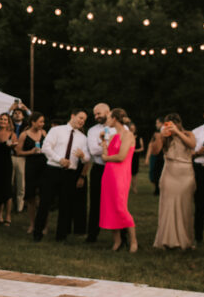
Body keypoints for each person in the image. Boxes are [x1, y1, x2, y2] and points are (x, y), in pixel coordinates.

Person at [33, 108, 89, 242]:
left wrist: (83, 156)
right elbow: (46, 147)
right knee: (45, 202)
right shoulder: (57, 130)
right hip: (53, 170)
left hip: (70, 174)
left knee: (66, 204)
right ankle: (37, 233)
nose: (82, 121)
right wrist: (59, 159)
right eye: (80, 118)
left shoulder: (83, 138)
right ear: (72, 116)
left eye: (84, 120)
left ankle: (61, 235)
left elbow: (87, 158)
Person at [151, 113, 196, 250]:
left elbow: (192, 145)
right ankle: (166, 240)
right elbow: (155, 151)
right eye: (167, 124)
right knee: (167, 206)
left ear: (178, 123)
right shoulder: (165, 137)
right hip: (169, 173)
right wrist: (161, 137)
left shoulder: (188, 134)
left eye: (171, 124)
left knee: (185, 207)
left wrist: (177, 132)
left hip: (185, 174)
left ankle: (184, 240)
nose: (169, 126)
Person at [100, 108, 138, 252]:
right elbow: (106, 154)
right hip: (108, 174)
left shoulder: (127, 135)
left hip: (120, 175)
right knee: (109, 207)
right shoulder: (114, 136)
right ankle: (117, 241)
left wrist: (106, 158)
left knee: (120, 207)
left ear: (115, 119)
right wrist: (103, 143)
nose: (107, 120)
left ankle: (133, 241)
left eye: (109, 117)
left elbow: (121, 156)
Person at [86, 102, 112, 243]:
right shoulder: (92, 130)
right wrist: (110, 147)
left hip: (115, 169)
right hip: (98, 168)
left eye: (98, 113)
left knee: (116, 202)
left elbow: (123, 150)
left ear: (108, 112)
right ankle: (92, 235)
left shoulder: (120, 128)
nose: (96, 116)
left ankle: (122, 236)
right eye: (94, 114)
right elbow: (93, 150)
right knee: (95, 202)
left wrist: (102, 146)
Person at [17, 111, 47, 234]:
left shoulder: (44, 133)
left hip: (44, 167)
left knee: (44, 196)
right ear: (33, 122)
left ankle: (44, 226)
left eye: (43, 122)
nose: (42, 124)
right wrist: (31, 152)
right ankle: (32, 224)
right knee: (31, 197)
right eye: (40, 121)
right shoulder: (24, 135)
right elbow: (18, 152)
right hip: (31, 167)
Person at [192, 109, 204, 243]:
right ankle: (198, 236)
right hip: (200, 169)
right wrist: (198, 152)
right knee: (199, 204)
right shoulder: (196, 132)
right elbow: (189, 152)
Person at [10, 105, 27, 213]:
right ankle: (9, 205)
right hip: (10, 156)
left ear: (23, 116)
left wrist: (26, 109)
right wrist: (11, 109)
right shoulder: (8, 126)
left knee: (21, 183)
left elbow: (33, 118)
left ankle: (20, 206)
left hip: (21, 157)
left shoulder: (26, 126)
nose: (17, 114)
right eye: (15, 113)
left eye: (19, 113)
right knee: (9, 182)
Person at [147, 117, 165, 195]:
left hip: (161, 155)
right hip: (158, 155)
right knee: (157, 172)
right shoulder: (157, 133)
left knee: (159, 172)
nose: (156, 125)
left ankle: (158, 190)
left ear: (161, 123)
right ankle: (157, 189)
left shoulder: (163, 132)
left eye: (157, 123)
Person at [128, 120, 144, 194]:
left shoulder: (139, 137)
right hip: (128, 157)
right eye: (131, 129)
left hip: (135, 157)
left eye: (133, 129)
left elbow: (142, 148)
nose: (132, 130)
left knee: (134, 174)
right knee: (127, 173)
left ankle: (134, 187)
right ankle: (127, 188)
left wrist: (134, 151)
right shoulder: (127, 136)